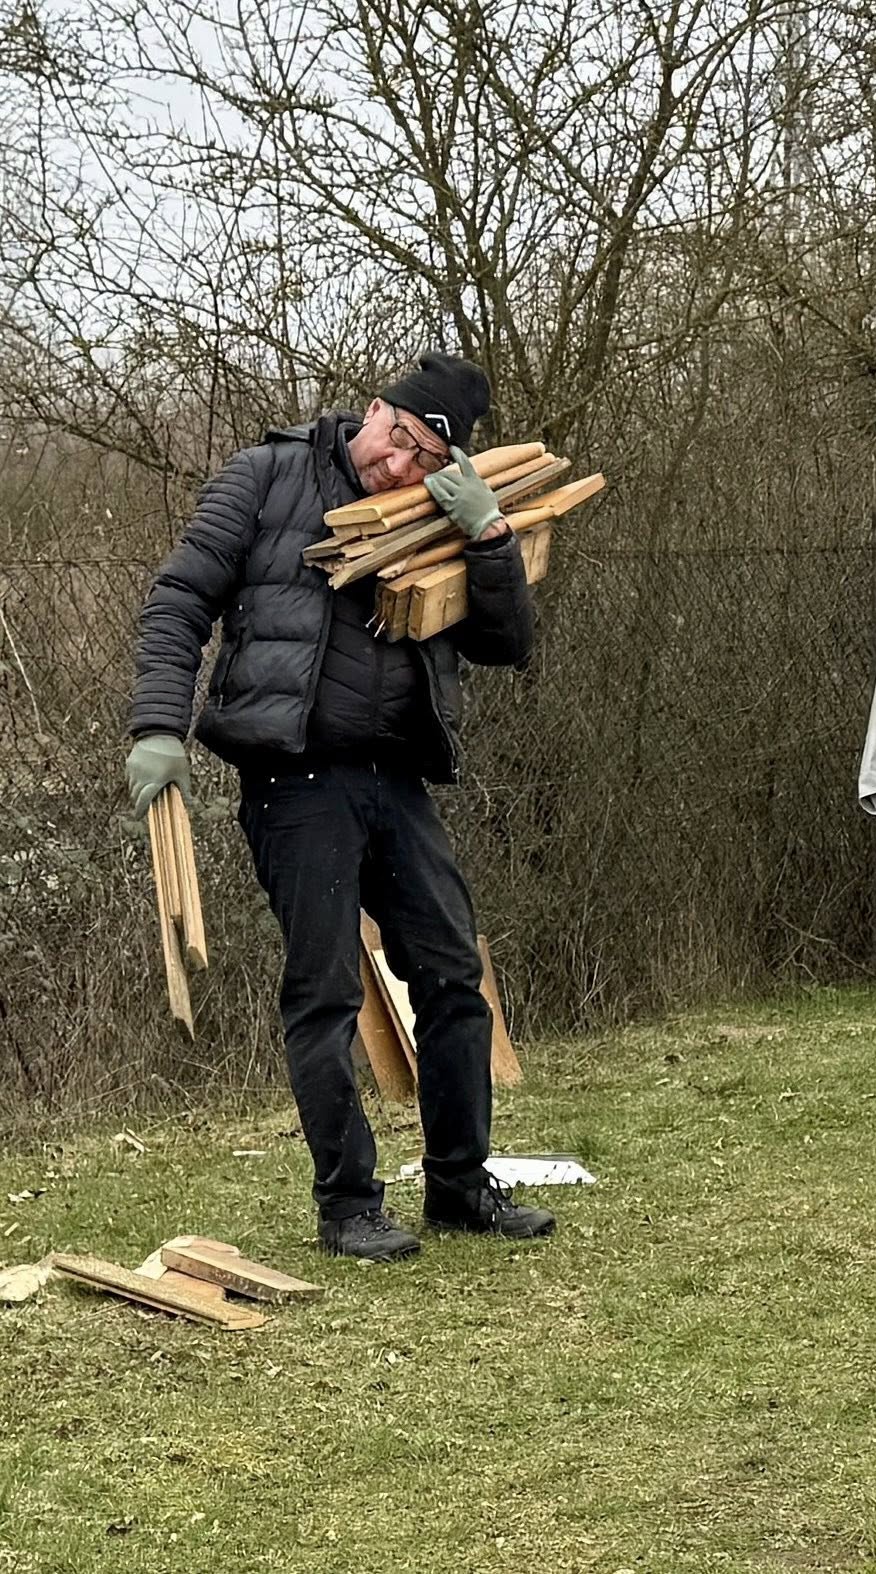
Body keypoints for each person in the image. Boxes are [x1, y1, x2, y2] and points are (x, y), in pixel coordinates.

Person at [126, 351, 556, 1262]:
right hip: (296, 779)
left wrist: (488, 539)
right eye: (396, 440)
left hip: (396, 777)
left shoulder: (442, 510)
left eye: (424, 457)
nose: (397, 466)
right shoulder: (267, 476)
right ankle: (349, 1205)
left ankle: (459, 1186)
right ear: (374, 408)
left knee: (453, 975)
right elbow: (179, 599)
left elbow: (508, 644)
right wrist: (158, 726)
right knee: (324, 993)